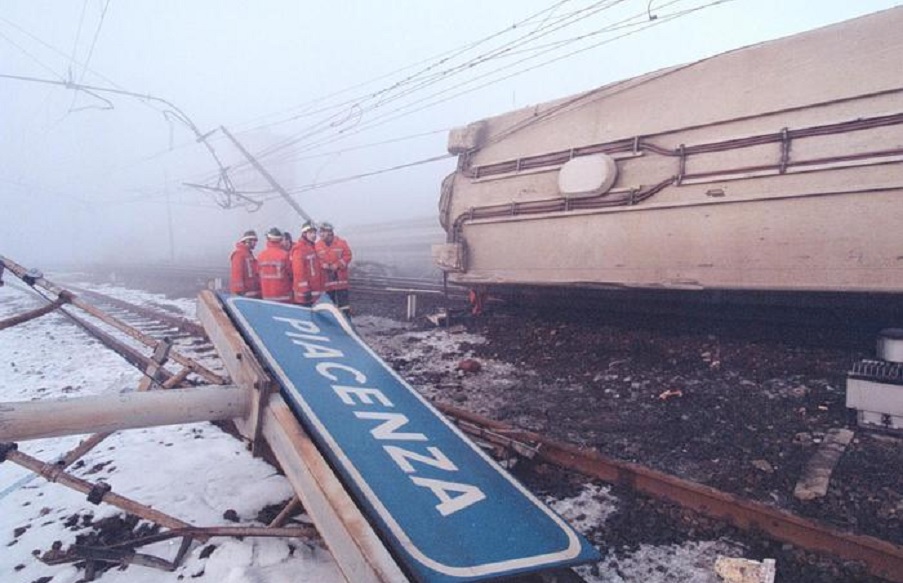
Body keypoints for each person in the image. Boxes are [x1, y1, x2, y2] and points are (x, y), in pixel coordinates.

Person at [315, 221, 353, 316]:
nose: (321, 234)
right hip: (327, 283)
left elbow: (348, 256)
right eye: (320, 232)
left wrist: (338, 265)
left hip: (340, 282)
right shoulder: (317, 245)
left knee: (344, 307)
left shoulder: (341, 243)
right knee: (330, 307)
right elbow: (315, 259)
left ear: (330, 232)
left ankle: (346, 323)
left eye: (323, 231)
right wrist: (322, 265)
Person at [290, 222, 325, 306]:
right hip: (306, 296)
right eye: (310, 233)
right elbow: (299, 272)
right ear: (304, 234)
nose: (314, 235)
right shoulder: (299, 249)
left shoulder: (312, 247)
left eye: (314, 233)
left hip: (315, 293)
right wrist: (304, 290)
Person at [257, 227, 293, 303]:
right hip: (284, 297)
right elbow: (291, 274)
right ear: (280, 239)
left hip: (267, 297)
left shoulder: (261, 256)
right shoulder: (285, 255)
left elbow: (258, 274)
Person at [229, 230, 261, 298]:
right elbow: (237, 274)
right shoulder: (239, 254)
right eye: (254, 241)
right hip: (245, 295)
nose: (255, 243)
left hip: (251, 294)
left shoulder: (248, 254)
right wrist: (239, 292)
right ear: (247, 241)